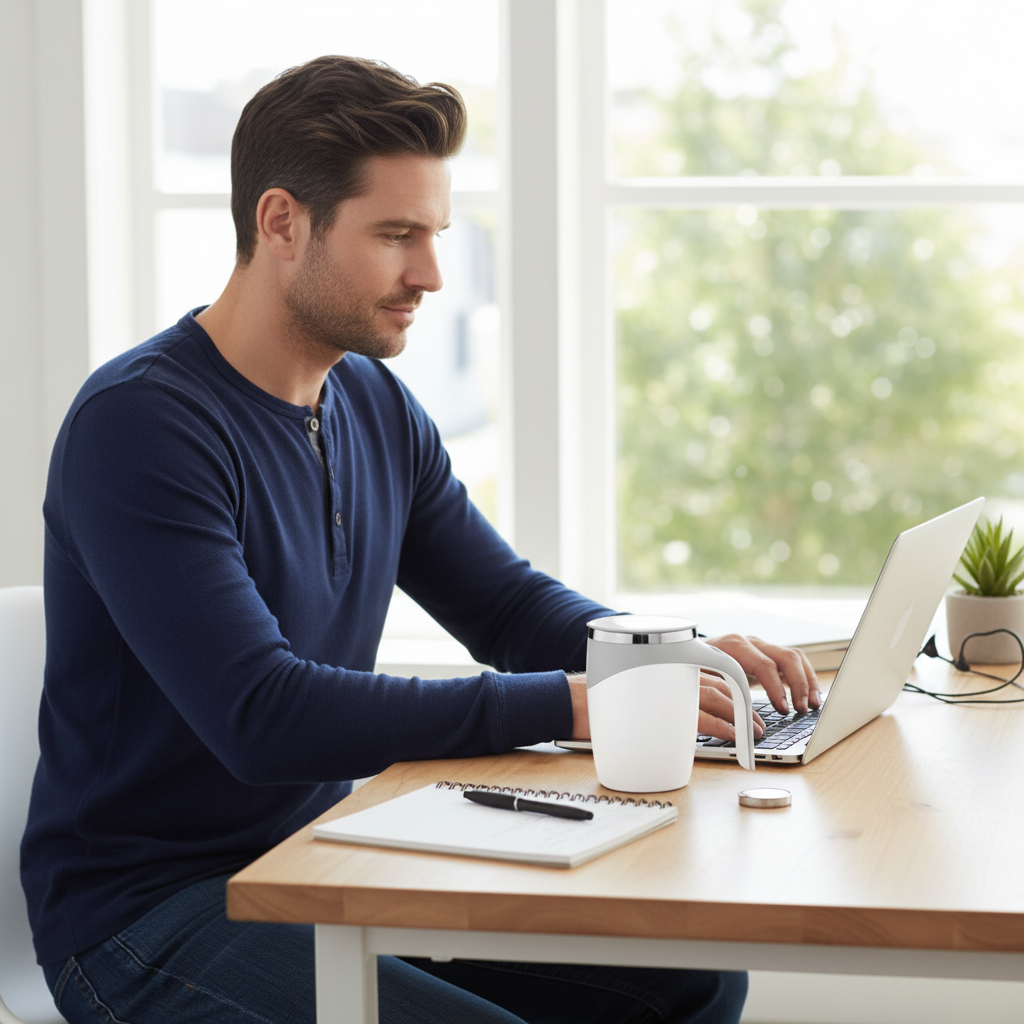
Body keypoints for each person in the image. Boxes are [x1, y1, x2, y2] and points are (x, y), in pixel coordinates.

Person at [22, 55, 820, 1024]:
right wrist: (577, 702)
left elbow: (506, 606)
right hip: (146, 915)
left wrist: (665, 658)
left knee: (690, 981)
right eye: (396, 235)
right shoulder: (141, 425)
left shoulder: (371, 399)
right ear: (281, 222)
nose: (431, 275)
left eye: (434, 234)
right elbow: (261, 716)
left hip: (318, 863)